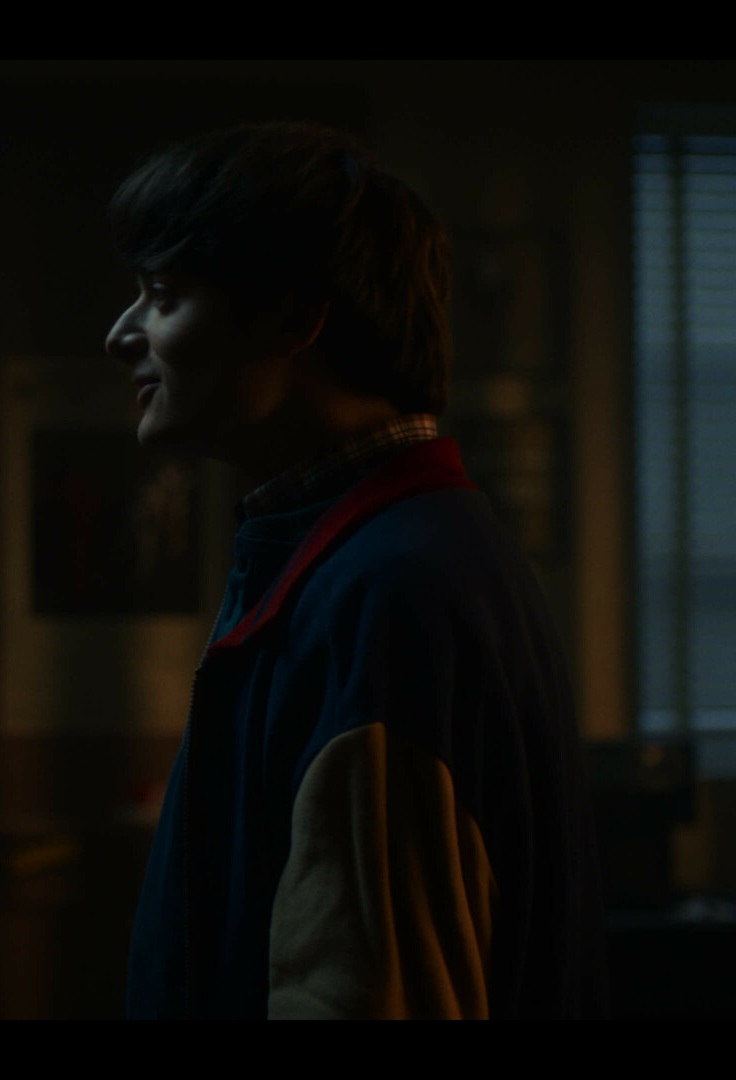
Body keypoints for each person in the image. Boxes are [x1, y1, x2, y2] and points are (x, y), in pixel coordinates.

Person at [107, 122, 607, 1018]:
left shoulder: (387, 590)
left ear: (294, 317)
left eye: (164, 295)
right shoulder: (387, 553)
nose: (121, 334)